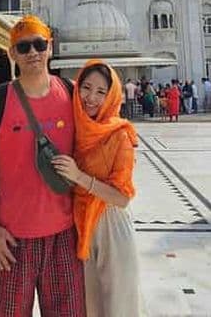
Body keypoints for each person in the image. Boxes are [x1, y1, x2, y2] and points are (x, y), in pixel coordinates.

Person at [0, 15, 86, 317]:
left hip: (64, 235)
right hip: (11, 239)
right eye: (23, 47)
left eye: (39, 44)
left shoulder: (72, 94)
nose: (33, 52)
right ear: (12, 53)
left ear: (50, 47)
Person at [52, 60, 141, 317]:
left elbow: (122, 198)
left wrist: (79, 177)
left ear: (111, 96)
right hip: (81, 225)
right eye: (86, 88)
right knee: (91, 307)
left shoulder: (119, 135)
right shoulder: (74, 128)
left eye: (101, 92)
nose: (91, 98)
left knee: (119, 306)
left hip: (111, 224)